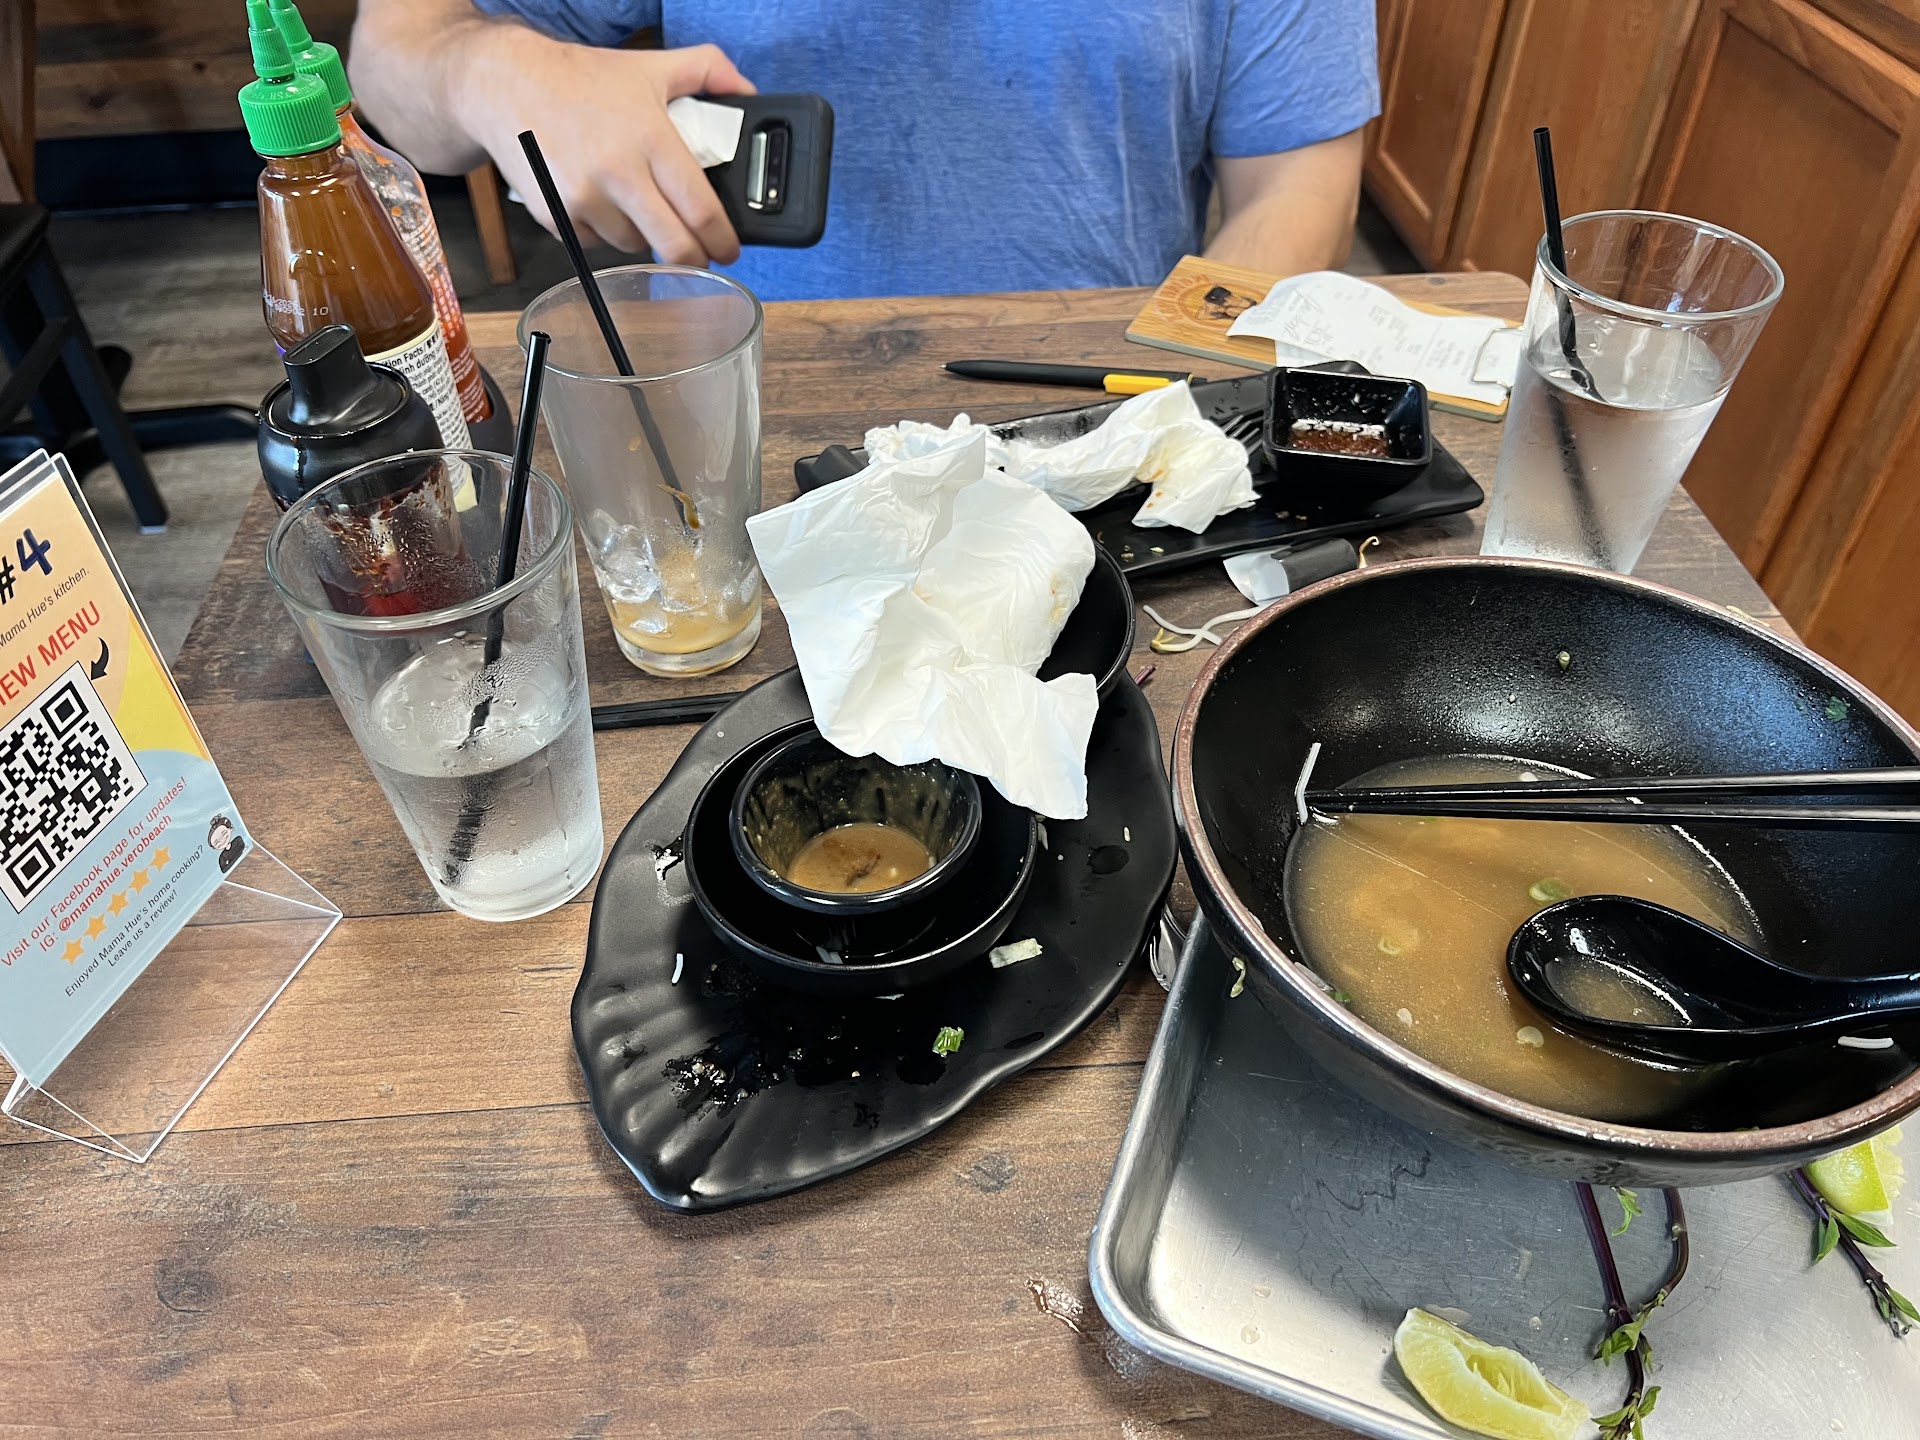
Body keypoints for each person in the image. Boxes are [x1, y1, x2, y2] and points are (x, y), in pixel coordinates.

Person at [349, 1, 1376, 301]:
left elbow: (1298, 183)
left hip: (1097, 407)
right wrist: (500, 71)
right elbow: (393, 63)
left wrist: (1172, 396)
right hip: (736, 424)